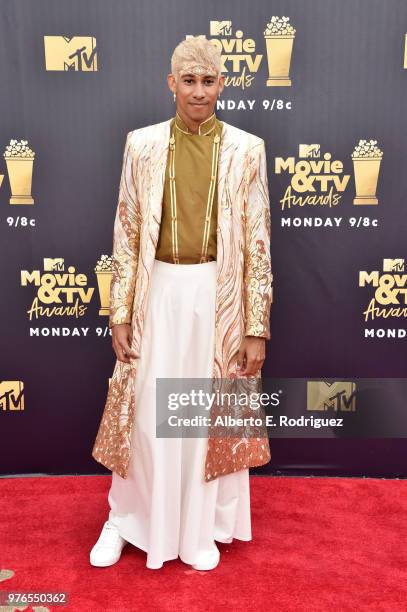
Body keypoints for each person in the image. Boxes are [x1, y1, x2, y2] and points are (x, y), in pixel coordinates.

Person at [90, 35, 273, 571]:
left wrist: (256, 325)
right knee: (145, 415)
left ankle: (199, 528)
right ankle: (126, 521)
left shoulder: (246, 149)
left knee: (205, 417)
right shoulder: (141, 144)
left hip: (219, 298)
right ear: (171, 83)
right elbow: (125, 233)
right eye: (188, 80)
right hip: (157, 292)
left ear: (223, 83)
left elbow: (258, 243)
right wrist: (119, 311)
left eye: (208, 80)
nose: (199, 91)